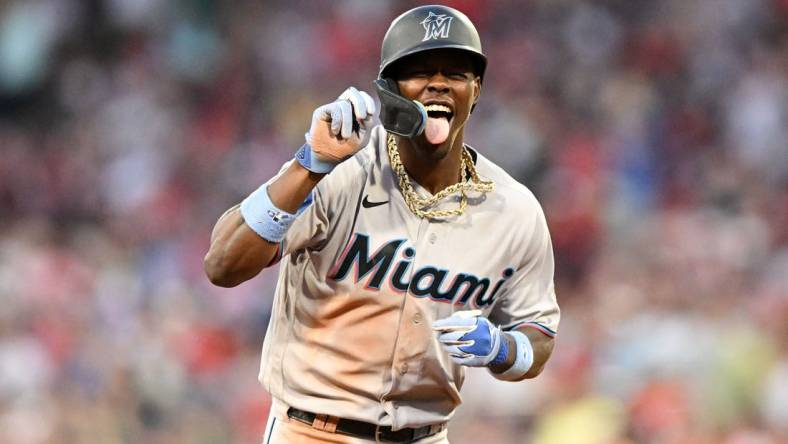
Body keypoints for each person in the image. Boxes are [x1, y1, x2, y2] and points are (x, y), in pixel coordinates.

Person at [204, 5, 559, 443]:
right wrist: (308, 167)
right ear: (389, 91)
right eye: (419, 72)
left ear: (477, 89)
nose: (438, 84)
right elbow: (222, 264)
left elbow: (538, 335)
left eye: (456, 73)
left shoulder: (514, 210)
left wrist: (504, 348)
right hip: (312, 430)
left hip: (426, 434)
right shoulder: (342, 173)